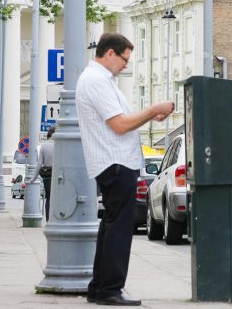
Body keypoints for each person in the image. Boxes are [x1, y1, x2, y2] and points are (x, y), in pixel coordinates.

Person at [75, 33, 173, 307]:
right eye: (124, 59)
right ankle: (110, 289)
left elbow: (121, 121)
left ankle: (99, 287)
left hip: (112, 162)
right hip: (115, 162)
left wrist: (149, 115)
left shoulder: (99, 80)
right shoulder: (97, 81)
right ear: (109, 54)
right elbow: (119, 125)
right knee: (119, 228)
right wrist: (152, 109)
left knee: (110, 226)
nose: (126, 66)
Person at [37, 124, 56, 221]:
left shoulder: (44, 146)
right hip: (58, 175)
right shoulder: (59, 145)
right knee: (57, 198)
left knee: (48, 197)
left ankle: (48, 220)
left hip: (47, 175)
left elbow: (39, 164)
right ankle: (56, 219)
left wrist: (33, 178)